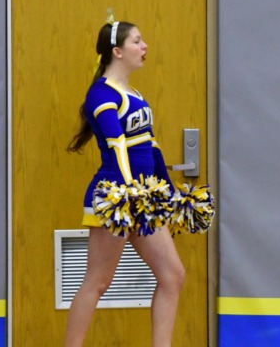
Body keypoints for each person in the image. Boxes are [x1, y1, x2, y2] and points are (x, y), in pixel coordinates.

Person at [65, 19, 186, 347]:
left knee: (172, 275)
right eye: (137, 41)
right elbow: (116, 143)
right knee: (98, 281)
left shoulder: (135, 95)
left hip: (141, 197)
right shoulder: (101, 93)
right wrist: (129, 190)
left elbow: (151, 147)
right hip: (115, 197)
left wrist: (169, 193)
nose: (144, 46)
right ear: (117, 52)